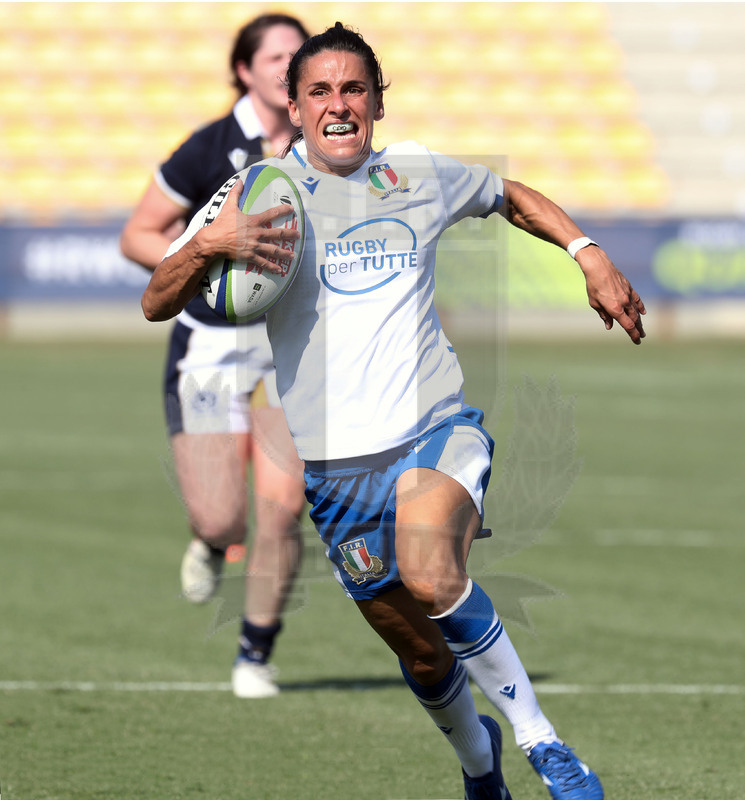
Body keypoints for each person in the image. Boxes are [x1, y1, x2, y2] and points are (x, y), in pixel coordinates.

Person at [141, 22, 647, 799]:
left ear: (377, 101)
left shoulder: (415, 172)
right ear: (293, 102)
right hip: (335, 471)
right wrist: (211, 243)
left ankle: (543, 740)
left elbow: (509, 196)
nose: (338, 105)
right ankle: (482, 773)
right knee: (421, 656)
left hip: (433, 428)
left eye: (353, 89)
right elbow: (156, 300)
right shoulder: (258, 193)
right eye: (320, 91)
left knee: (429, 565)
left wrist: (587, 251)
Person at [120, 14, 311, 699]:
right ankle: (207, 539)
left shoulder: (322, 149)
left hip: (286, 349)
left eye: (300, 55)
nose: (289, 67)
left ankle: (254, 655)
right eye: (276, 56)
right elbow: (138, 234)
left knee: (282, 506)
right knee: (221, 515)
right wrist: (201, 253)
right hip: (209, 346)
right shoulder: (210, 146)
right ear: (244, 69)